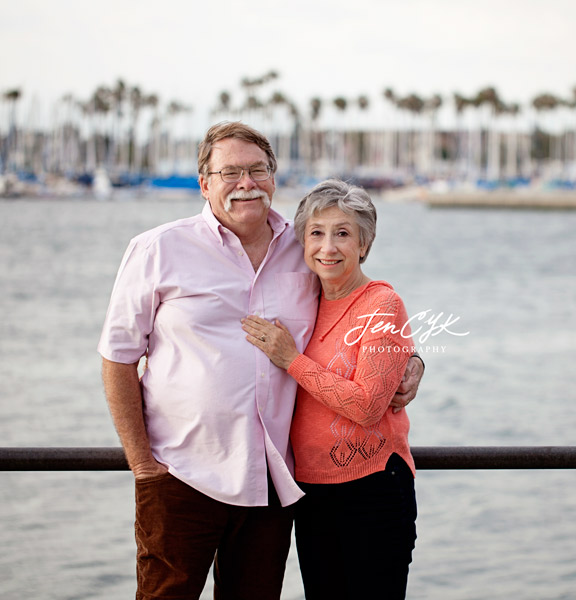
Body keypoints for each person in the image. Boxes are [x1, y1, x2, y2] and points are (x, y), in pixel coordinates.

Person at [97, 122, 424, 600]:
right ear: (204, 182)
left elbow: (357, 310)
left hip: (271, 484)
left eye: (257, 170)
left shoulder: (306, 247)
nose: (245, 183)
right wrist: (142, 465)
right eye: (230, 172)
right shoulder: (158, 249)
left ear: (273, 176)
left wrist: (410, 360)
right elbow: (117, 358)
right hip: (181, 474)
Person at [241, 179, 418, 600]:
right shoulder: (307, 301)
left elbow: (368, 406)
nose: (328, 247)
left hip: (373, 489)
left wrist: (290, 359)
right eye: (316, 233)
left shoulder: (382, 305)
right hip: (311, 491)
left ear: (364, 243)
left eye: (343, 233)